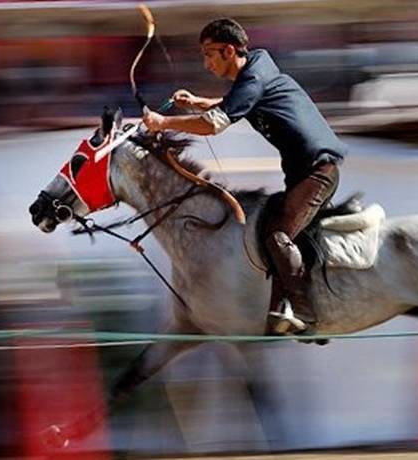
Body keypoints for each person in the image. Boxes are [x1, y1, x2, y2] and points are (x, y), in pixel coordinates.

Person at [142, 18, 346, 336]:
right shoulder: (254, 74)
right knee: (269, 233)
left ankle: (308, 315)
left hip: (317, 172)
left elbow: (214, 124)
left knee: (277, 237)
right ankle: (283, 310)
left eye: (210, 54)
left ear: (228, 50)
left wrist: (163, 123)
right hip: (305, 174)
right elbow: (234, 105)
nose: (206, 63)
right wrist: (197, 102)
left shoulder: (253, 78)